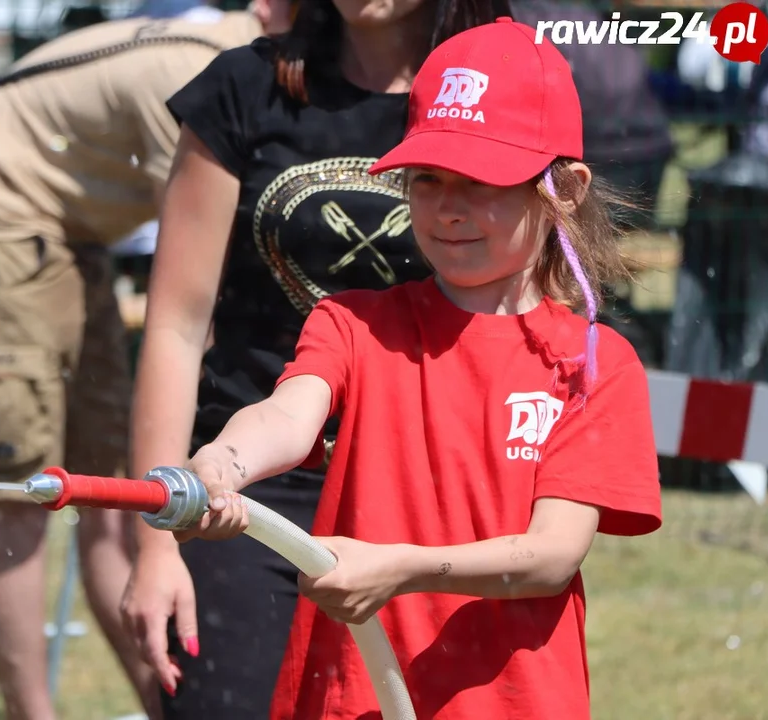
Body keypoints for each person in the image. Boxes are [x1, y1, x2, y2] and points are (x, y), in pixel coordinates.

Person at [162, 18, 664, 719]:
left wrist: (401, 569)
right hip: (354, 699)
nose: (448, 208)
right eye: (427, 179)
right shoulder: (354, 323)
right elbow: (286, 415)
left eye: (482, 180)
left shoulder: (593, 363)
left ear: (566, 189)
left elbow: (552, 556)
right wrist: (223, 463)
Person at [120, 0, 509, 716]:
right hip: (249, 498)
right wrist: (157, 544)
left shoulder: (502, 93)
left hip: (436, 502)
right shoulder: (244, 88)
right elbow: (176, 324)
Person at [0, 6, 288, 720]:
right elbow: (207, 292)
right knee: (21, 495)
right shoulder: (210, 74)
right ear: (271, 11)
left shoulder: (245, 59)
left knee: (117, 496)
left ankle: (170, 701)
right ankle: (32, 713)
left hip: (70, 238)